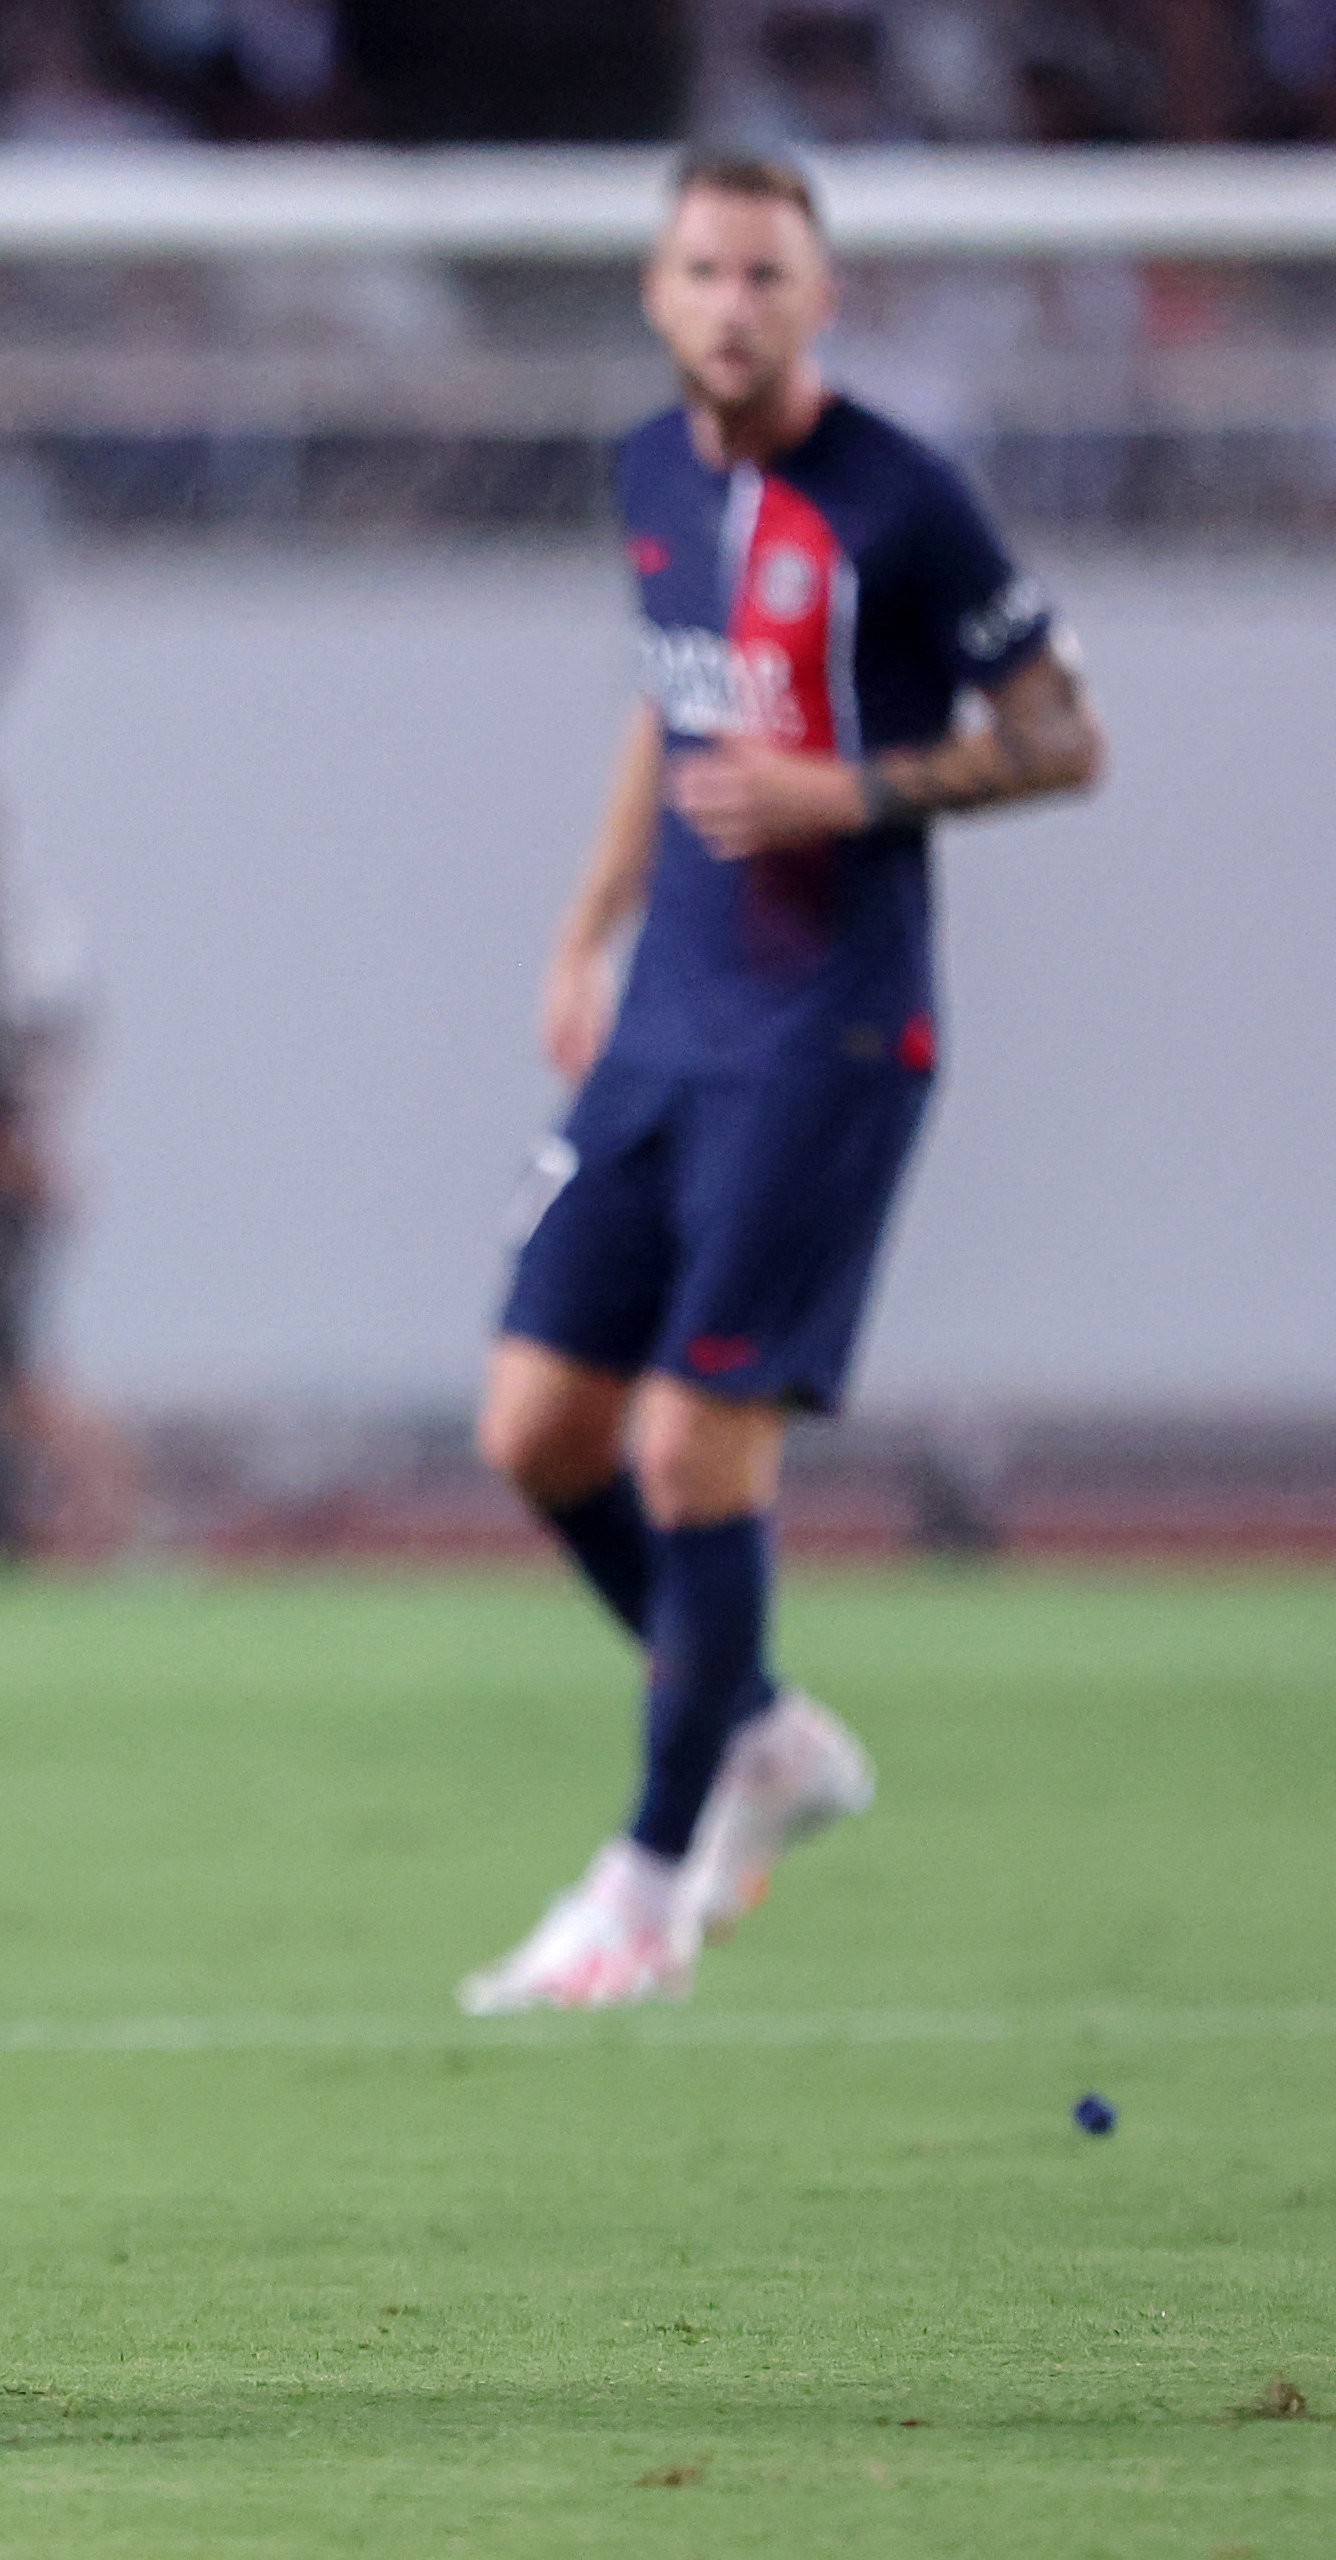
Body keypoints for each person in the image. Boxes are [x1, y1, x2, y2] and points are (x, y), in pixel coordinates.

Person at [458, 150, 1104, 2015]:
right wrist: (585, 932)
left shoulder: (905, 501)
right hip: (666, 1019)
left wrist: (854, 792)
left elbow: (1067, 735)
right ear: (659, 297)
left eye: (767, 273)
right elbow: (665, 718)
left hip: (829, 1032)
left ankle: (647, 1890)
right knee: (536, 1431)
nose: (732, 303)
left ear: (821, 299)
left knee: (688, 1446)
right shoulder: (654, 474)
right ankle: (755, 1733)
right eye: (703, 270)